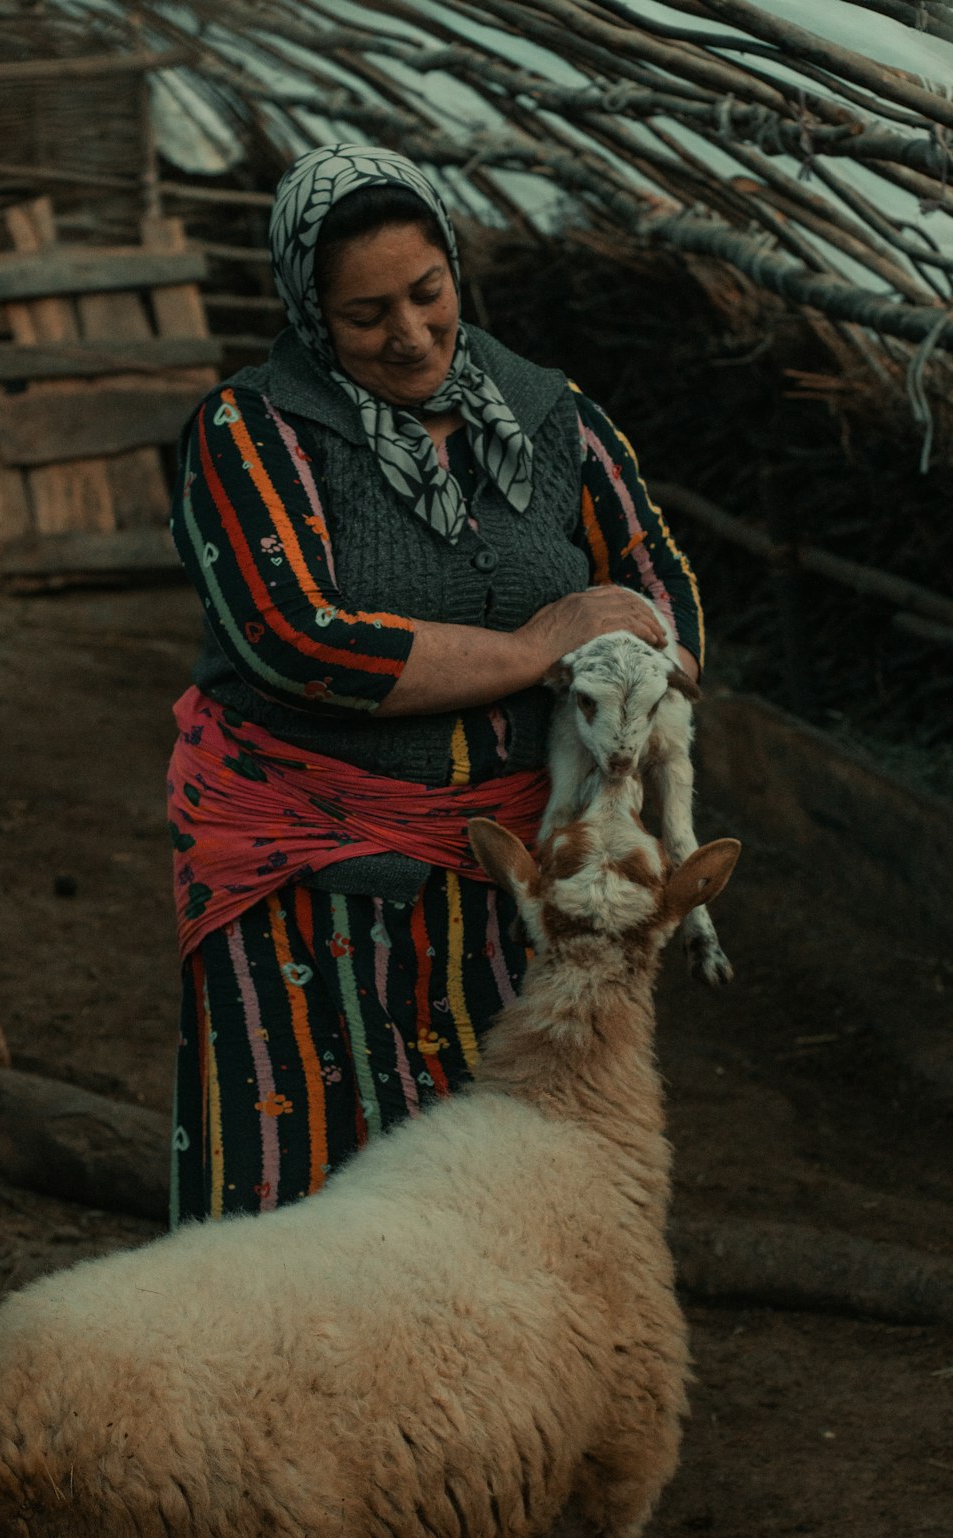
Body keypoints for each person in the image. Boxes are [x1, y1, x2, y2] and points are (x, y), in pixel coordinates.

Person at [166, 144, 703, 1226]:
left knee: (490, 1185)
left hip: (506, 871)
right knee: (301, 1178)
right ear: (311, 313)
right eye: (366, 315)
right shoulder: (252, 432)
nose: (409, 334)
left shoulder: (550, 414)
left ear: (455, 267)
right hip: (312, 870)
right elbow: (295, 638)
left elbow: (656, 581)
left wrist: (643, 655)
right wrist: (539, 645)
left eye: (427, 292)